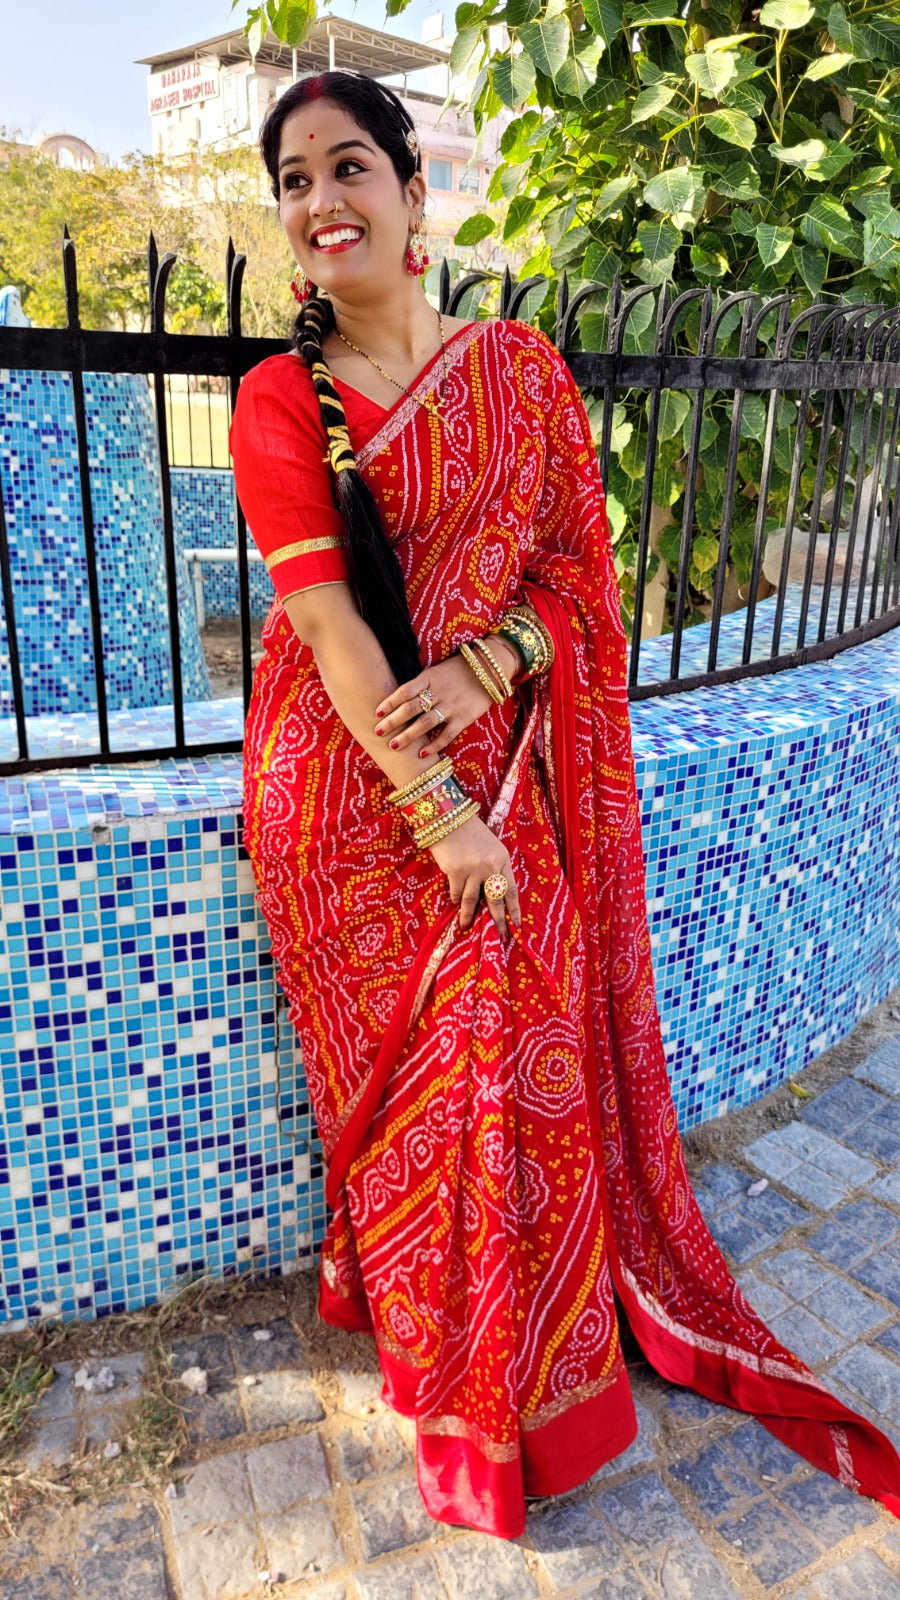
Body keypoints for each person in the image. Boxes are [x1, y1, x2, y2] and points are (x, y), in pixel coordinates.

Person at [229, 71, 900, 1539]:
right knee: (448, 1070)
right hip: (350, 795)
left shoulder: (519, 370)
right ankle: (458, 1380)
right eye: (294, 179)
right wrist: (438, 812)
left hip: (508, 761)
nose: (323, 198)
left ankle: (531, 1380)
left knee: (515, 1052)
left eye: (350, 165)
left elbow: (574, 580)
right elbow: (329, 631)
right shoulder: (282, 399)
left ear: (413, 191)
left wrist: (492, 662)